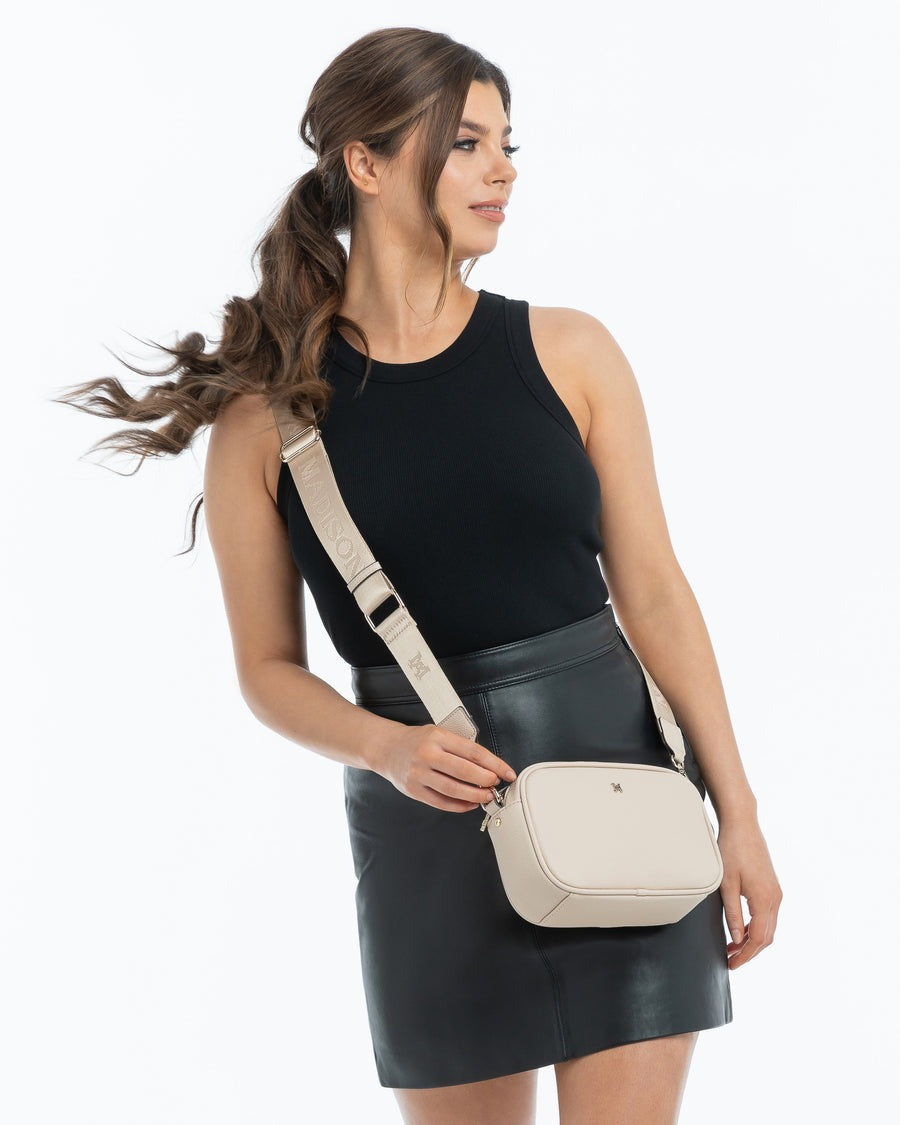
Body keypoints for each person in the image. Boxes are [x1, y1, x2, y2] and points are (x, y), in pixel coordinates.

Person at [56, 26, 782, 1125]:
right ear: (366, 161)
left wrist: (740, 812)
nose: (504, 170)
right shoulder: (264, 423)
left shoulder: (571, 352)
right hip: (431, 843)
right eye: (468, 143)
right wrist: (384, 748)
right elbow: (266, 669)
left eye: (508, 144)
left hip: (625, 811)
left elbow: (657, 596)